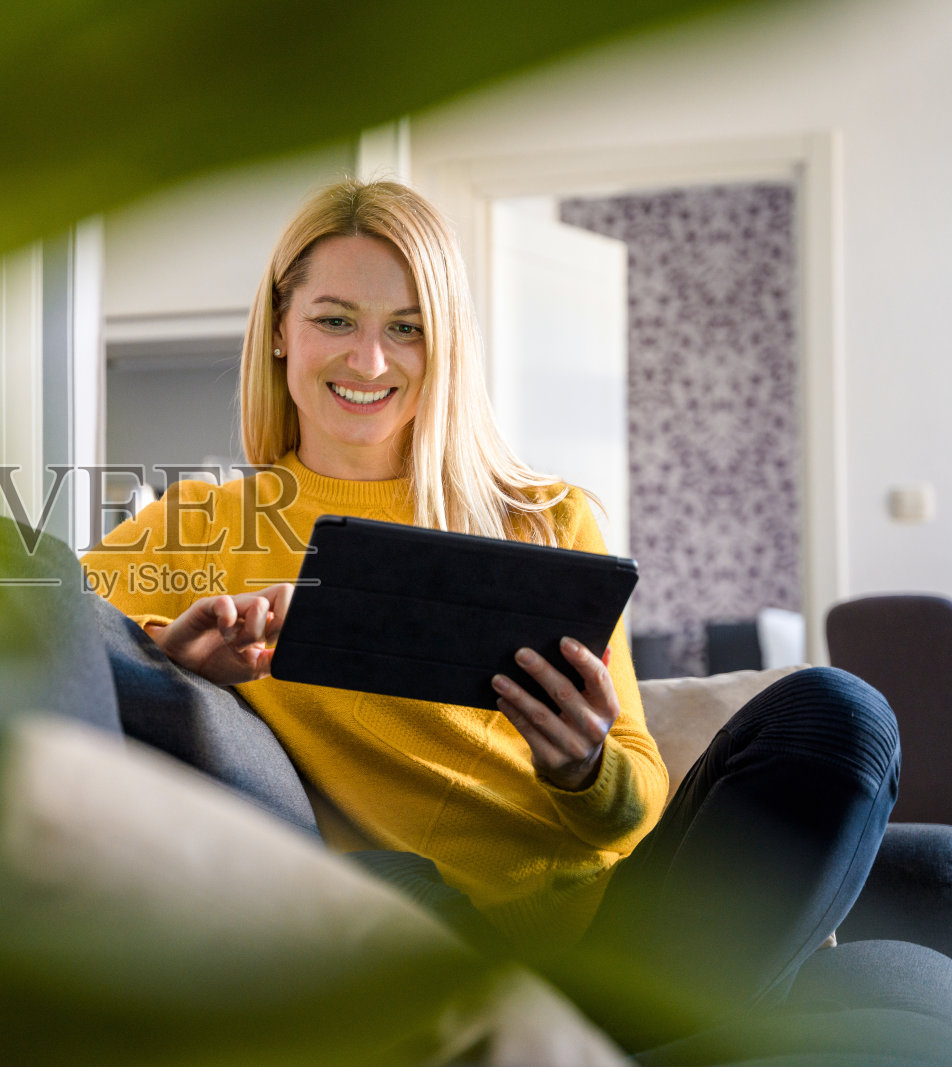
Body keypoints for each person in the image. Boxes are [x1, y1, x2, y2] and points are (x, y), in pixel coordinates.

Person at [81, 178, 933, 1048]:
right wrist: (170, 659)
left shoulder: (544, 516)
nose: (369, 361)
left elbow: (637, 798)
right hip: (436, 939)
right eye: (335, 319)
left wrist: (585, 766)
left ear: (446, 342)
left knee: (843, 716)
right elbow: (50, 624)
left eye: (407, 327)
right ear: (279, 329)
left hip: (630, 926)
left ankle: (613, 1031)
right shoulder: (202, 525)